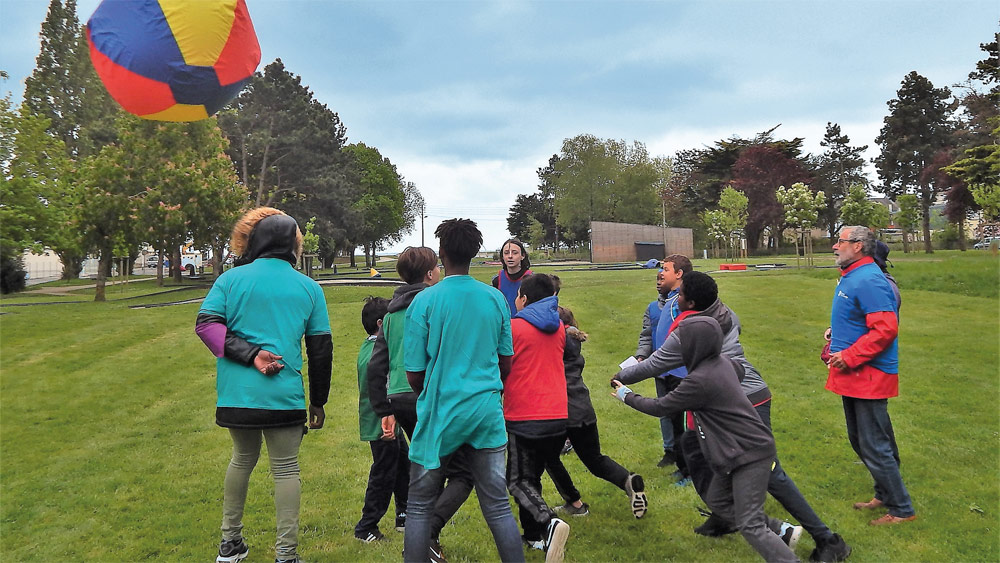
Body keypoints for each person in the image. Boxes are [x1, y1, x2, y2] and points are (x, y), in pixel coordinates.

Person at [615, 271, 851, 562]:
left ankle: (827, 539)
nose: (677, 294)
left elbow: (656, 364)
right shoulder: (719, 312)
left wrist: (620, 379)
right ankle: (727, 515)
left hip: (742, 401)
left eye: (681, 290)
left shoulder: (695, 330)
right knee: (699, 451)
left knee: (768, 473)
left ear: (691, 298)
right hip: (723, 397)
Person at [195, 207, 331, 563]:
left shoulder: (229, 280)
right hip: (285, 396)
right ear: (292, 244)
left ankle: (230, 545)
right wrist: (318, 401)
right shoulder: (309, 288)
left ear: (253, 240)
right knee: (286, 469)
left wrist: (250, 354)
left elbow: (207, 326)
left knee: (241, 460)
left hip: (237, 395)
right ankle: (286, 556)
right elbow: (320, 350)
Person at [612, 316, 798, 563]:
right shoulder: (723, 363)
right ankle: (780, 530)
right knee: (718, 501)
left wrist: (626, 395)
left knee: (750, 524)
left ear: (693, 347)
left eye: (681, 343)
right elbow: (740, 369)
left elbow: (661, 407)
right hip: (730, 451)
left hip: (749, 453)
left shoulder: (699, 381)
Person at [402, 219, 525, 563]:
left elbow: (414, 374)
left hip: (441, 411)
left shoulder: (424, 303)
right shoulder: (496, 299)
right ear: (475, 253)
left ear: (442, 254)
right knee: (498, 505)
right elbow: (506, 362)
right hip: (486, 411)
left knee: (420, 504)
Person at [366, 246, 471, 561]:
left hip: (399, 400)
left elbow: (375, 368)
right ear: (429, 274)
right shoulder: (437, 304)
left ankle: (422, 537)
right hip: (430, 395)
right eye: (436, 267)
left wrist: (383, 410)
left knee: (429, 464)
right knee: (465, 472)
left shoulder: (391, 314)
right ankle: (425, 533)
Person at [828, 226, 915, 526]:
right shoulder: (853, 277)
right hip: (854, 374)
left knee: (874, 443)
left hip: (869, 374)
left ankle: (902, 509)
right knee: (861, 440)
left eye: (840, 241)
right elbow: (860, 320)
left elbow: (886, 329)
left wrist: (849, 356)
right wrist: (834, 339)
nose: (834, 247)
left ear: (859, 247)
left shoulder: (869, 280)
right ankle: (884, 494)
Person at [544, 305, 648, 519]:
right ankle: (628, 481)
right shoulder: (573, 345)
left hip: (561, 410)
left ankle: (575, 503)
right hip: (583, 409)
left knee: (548, 457)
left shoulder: (554, 345)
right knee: (595, 460)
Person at [503, 273, 571, 562]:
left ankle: (549, 522)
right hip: (557, 415)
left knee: (516, 481)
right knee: (533, 478)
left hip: (525, 415)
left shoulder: (514, 327)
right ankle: (533, 537)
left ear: (524, 299)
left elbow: (501, 364)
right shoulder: (558, 327)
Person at [354, 296, 409, 544]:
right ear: (381, 323)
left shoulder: (370, 347)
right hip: (382, 424)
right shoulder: (375, 353)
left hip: (388, 421)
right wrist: (388, 414)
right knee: (383, 473)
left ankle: (404, 514)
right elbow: (380, 385)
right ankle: (367, 526)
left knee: (403, 464)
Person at [647, 255, 692, 478]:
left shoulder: (682, 302)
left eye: (665, 269)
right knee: (674, 421)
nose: (660, 273)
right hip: (666, 371)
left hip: (680, 373)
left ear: (679, 274)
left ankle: (688, 470)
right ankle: (679, 462)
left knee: (684, 423)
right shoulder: (670, 299)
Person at [492, 238, 532, 315]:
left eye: (515, 253)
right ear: (502, 257)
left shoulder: (532, 279)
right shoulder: (497, 280)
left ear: (522, 256)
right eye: (506, 253)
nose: (510, 256)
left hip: (525, 323)